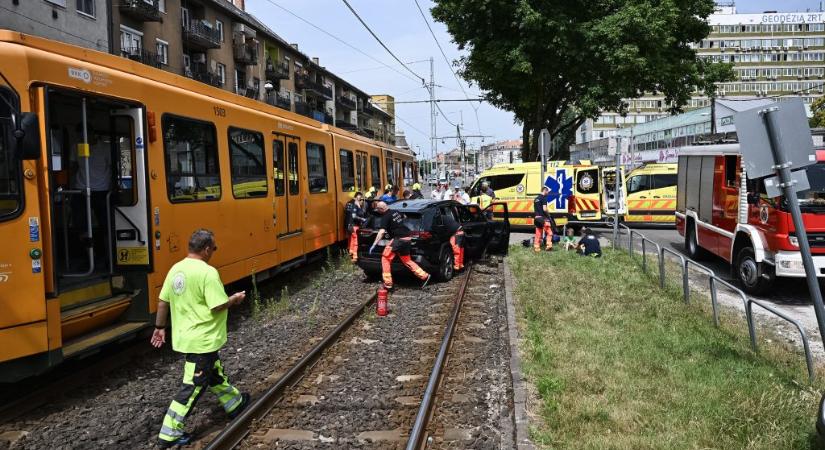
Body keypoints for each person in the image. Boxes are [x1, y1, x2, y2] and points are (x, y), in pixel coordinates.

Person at [152, 229, 250, 448]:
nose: (213, 252)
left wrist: (159, 327)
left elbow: (162, 302)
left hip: (186, 338)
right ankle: (169, 433)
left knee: (213, 373)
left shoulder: (176, 269)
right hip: (202, 339)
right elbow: (217, 305)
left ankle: (234, 403)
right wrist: (234, 299)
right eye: (213, 249)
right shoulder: (207, 273)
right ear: (206, 249)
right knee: (193, 386)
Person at [71, 128, 113, 265]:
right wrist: (70, 187)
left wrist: (112, 187)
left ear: (93, 134)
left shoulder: (105, 148)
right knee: (81, 224)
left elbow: (113, 168)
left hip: (102, 191)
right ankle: (90, 255)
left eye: (85, 134)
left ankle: (109, 256)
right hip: (80, 190)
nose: (82, 138)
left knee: (106, 224)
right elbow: (73, 167)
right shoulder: (76, 147)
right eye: (80, 135)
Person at [370, 201, 431, 289]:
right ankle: (424, 275)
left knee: (385, 258)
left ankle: (388, 283)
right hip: (407, 238)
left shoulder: (385, 217)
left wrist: (374, 244)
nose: (378, 211)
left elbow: (382, 232)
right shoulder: (396, 212)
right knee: (407, 260)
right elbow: (404, 217)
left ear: (381, 209)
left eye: (378, 209)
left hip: (398, 239)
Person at [345, 192, 367, 262]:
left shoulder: (348, 203)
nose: (361, 201)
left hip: (348, 224)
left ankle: (350, 254)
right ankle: (355, 256)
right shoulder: (355, 204)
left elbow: (346, 212)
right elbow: (354, 216)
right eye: (360, 199)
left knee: (350, 240)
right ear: (357, 197)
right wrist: (363, 219)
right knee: (355, 241)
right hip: (354, 225)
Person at [533, 186, 554, 252]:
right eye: (547, 192)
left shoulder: (536, 199)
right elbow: (544, 209)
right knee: (550, 233)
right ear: (545, 191)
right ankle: (549, 245)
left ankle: (537, 248)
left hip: (536, 218)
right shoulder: (544, 198)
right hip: (543, 219)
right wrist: (548, 213)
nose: (548, 193)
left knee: (538, 234)